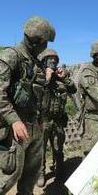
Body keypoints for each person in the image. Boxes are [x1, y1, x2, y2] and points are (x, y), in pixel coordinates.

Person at [0, 16, 55, 195]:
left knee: (32, 168)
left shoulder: (35, 62)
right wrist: (14, 120)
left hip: (33, 124)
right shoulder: (9, 56)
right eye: (44, 43)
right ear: (35, 40)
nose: (45, 47)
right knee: (12, 169)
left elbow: (37, 93)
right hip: (12, 125)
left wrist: (40, 119)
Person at [36, 49, 77, 187]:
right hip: (43, 120)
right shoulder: (38, 75)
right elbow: (34, 93)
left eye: (55, 59)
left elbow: (73, 89)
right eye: (50, 59)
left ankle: (60, 170)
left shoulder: (61, 77)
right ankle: (40, 173)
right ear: (44, 60)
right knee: (40, 149)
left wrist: (64, 77)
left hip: (58, 120)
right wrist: (46, 79)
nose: (53, 61)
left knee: (58, 148)